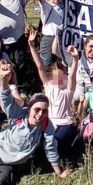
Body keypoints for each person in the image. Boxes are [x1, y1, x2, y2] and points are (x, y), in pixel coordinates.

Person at [29, 30, 79, 161]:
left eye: (62, 77)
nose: (59, 80)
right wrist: (32, 46)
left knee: (55, 141)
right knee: (37, 141)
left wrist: (75, 59)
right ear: (51, 76)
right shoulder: (49, 86)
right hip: (49, 123)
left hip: (65, 124)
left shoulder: (68, 89)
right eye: (56, 77)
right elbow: (40, 66)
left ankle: (56, 158)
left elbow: (73, 75)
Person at [0, 0, 41, 95]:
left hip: (18, 40)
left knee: (20, 66)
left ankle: (20, 90)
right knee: (3, 67)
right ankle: (3, 90)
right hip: (2, 42)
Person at [37, 0, 65, 68]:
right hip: (48, 39)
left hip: (60, 39)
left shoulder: (63, 7)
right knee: (47, 66)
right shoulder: (47, 6)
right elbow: (43, 2)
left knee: (60, 66)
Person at [70, 34, 93, 104]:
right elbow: (70, 76)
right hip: (79, 85)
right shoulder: (76, 56)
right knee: (77, 95)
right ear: (85, 46)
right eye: (91, 46)